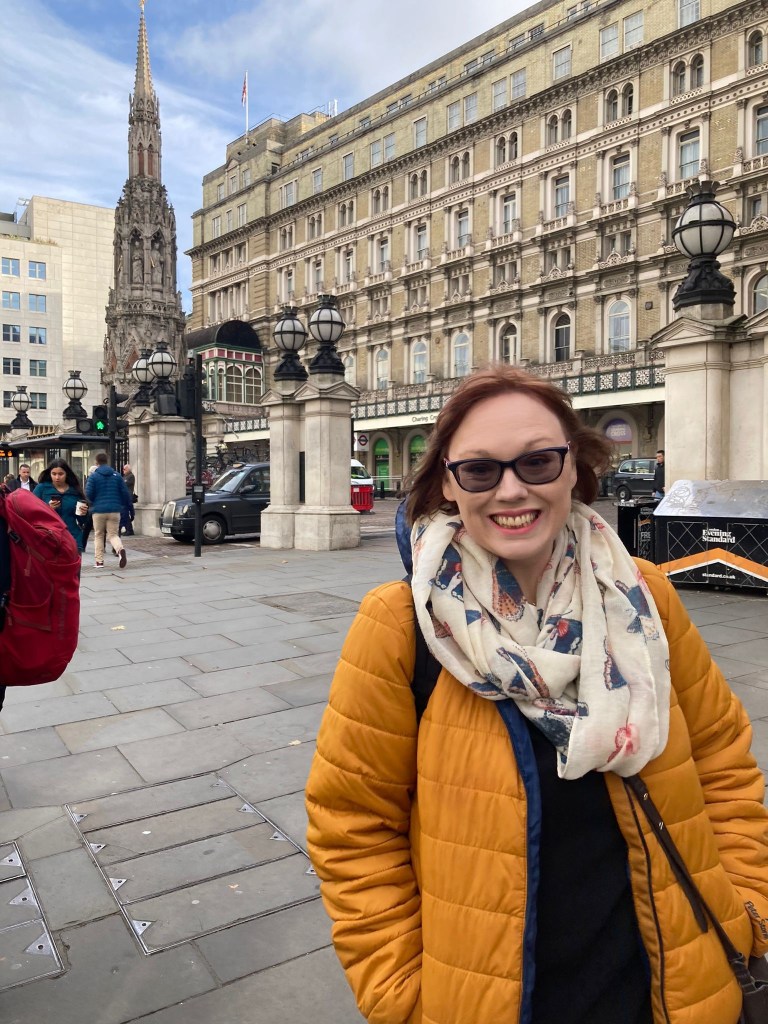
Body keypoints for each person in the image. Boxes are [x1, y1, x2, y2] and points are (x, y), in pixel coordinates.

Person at [305, 366, 768, 1024]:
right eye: (481, 470)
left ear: (574, 468)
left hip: (673, 990)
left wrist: (745, 905)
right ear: (447, 482)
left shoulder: (644, 596)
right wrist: (404, 995)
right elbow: (351, 828)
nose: (512, 489)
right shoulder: (401, 627)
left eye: (538, 461)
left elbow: (722, 759)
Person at [85, 451, 132, 568]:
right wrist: (124, 506)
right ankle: (120, 550)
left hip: (98, 511)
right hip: (114, 510)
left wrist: (93, 503)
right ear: (107, 461)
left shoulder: (94, 476)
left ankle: (99, 562)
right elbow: (125, 493)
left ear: (96, 462)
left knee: (99, 535)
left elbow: (88, 493)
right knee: (113, 535)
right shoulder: (117, 476)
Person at [33, 459, 87, 553]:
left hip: (72, 537)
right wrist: (47, 508)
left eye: (60, 474)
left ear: (67, 474)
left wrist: (84, 513)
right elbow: (32, 511)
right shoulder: (41, 489)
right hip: (49, 538)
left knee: (73, 567)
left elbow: (82, 521)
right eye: (53, 474)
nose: (57, 477)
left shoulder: (75, 491)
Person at [120, 464, 136, 536]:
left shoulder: (131, 476)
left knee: (125, 514)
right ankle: (127, 529)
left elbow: (123, 484)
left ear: (128, 470)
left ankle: (129, 530)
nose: (123, 471)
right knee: (123, 514)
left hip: (128, 497)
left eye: (124, 469)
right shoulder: (124, 477)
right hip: (123, 497)